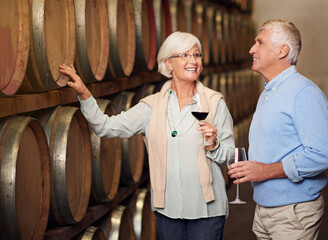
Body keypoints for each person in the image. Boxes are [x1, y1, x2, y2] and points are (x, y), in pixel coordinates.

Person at [60, 31, 234, 240]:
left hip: (207, 211)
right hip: (167, 211)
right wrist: (85, 95)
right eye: (185, 55)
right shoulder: (150, 106)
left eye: (197, 55)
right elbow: (106, 127)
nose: (193, 61)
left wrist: (213, 144)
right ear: (168, 63)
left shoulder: (215, 103)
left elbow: (231, 156)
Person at [228, 19, 328, 240]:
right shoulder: (269, 92)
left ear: (282, 50)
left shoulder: (304, 93)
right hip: (265, 209)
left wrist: (265, 171)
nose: (252, 49)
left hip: (293, 213)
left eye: (259, 43)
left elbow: (323, 155)